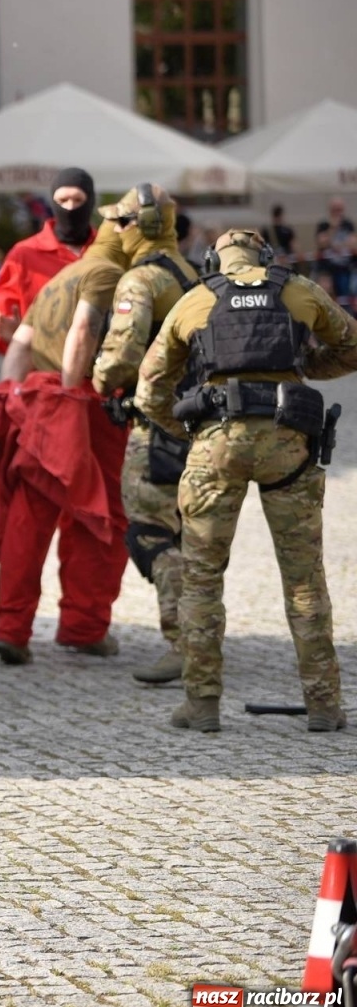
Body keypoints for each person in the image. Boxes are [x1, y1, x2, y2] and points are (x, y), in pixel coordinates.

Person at [136, 228, 356, 733]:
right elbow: (352, 347)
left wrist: (189, 431)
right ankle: (323, 706)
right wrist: (301, 368)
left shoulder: (195, 298)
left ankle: (202, 704)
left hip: (217, 445)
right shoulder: (299, 289)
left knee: (202, 578)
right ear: (266, 256)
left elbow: (151, 391)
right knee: (304, 579)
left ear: (214, 260)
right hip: (289, 442)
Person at [0, 220, 129, 664]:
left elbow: (19, 346)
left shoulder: (59, 279)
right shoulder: (104, 273)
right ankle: (83, 628)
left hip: (39, 403)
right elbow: (83, 332)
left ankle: (12, 628)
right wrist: (72, 394)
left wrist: (13, 398)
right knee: (98, 521)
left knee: (27, 523)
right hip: (82, 404)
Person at [83, 185, 200, 685]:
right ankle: (202, 639)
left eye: (121, 222)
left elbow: (120, 359)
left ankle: (184, 644)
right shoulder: (192, 275)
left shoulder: (140, 280)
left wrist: (98, 377)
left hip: (155, 427)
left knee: (151, 534)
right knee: (190, 536)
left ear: (144, 225)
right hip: (196, 423)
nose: (113, 229)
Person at [0, 167, 97, 355]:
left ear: (90, 202)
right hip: (39, 370)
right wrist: (10, 335)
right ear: (53, 202)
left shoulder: (107, 251)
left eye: (78, 200)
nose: (70, 207)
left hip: (98, 372)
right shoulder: (25, 254)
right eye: (63, 200)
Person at [315, 198, 354, 299]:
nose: (338, 212)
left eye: (340, 209)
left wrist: (337, 245)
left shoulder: (348, 224)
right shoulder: (324, 225)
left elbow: (353, 243)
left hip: (344, 266)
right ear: (330, 210)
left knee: (345, 292)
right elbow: (321, 243)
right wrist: (333, 228)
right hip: (328, 267)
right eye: (335, 209)